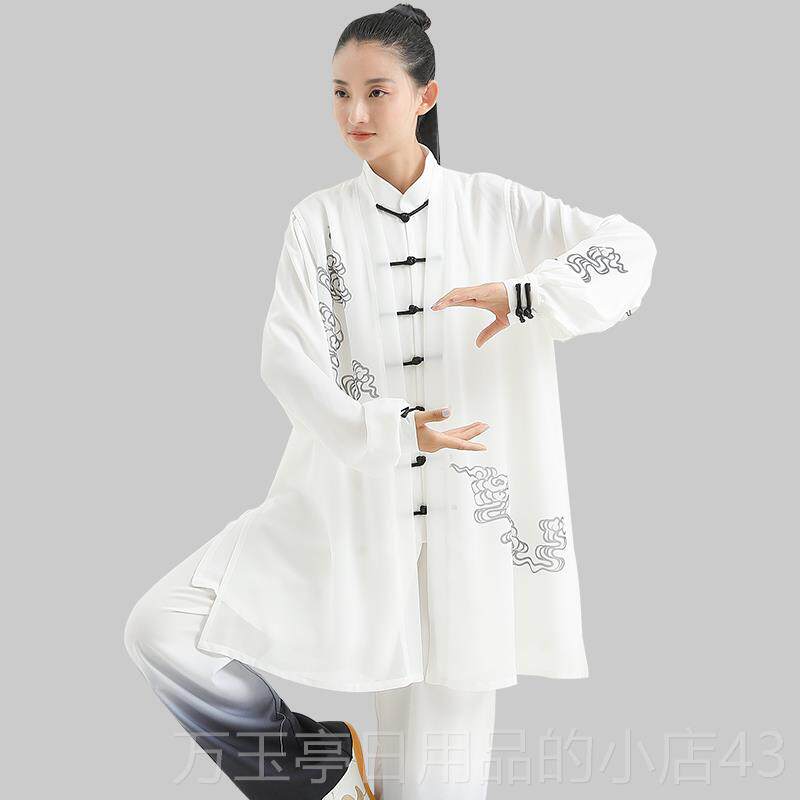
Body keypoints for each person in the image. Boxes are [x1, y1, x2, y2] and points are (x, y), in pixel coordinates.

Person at [123, 4, 658, 800]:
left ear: (425, 96)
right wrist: (392, 429)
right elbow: (286, 360)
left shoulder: (494, 207)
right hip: (344, 517)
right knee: (161, 630)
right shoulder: (317, 222)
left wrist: (525, 295)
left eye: (377, 91)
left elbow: (630, 249)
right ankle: (321, 772)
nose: (356, 114)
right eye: (340, 94)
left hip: (467, 549)